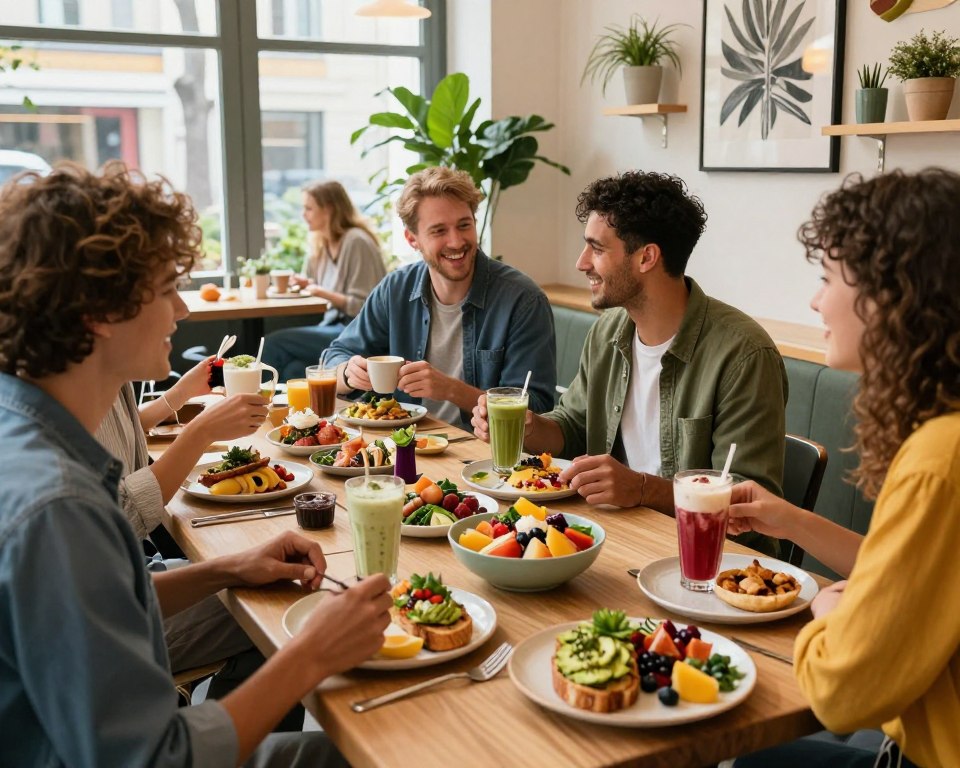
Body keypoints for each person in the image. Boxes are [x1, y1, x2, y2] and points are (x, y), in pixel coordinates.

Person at [0, 162, 392, 767]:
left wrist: (229, 568)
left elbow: (99, 602)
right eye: (165, 289)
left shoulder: (29, 433)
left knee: (267, 614)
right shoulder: (60, 507)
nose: (181, 310)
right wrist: (311, 655)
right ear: (98, 312)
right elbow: (155, 758)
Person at [730, 169, 960, 768]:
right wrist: (791, 520)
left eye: (827, 277)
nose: (815, 301)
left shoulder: (939, 459)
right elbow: (915, 574)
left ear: (892, 295)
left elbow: (839, 692)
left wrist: (829, 617)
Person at [472, 171, 787, 543]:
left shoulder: (743, 355)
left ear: (646, 257)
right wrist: (529, 428)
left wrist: (641, 489)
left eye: (597, 249)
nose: (581, 263)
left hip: (706, 556)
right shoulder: (607, 332)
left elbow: (748, 507)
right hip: (616, 534)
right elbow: (572, 428)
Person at [324, 166, 556, 428]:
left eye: (464, 225)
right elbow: (335, 355)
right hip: (403, 442)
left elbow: (536, 411)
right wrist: (348, 373)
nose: (456, 242)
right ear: (412, 239)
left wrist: (452, 390)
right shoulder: (395, 290)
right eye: (439, 231)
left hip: (479, 449)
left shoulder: (523, 300)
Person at [262, 180, 386, 382]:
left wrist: (319, 291)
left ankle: (254, 401)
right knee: (295, 370)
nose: (303, 215)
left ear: (328, 209)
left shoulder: (356, 241)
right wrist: (306, 284)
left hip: (355, 331)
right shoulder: (321, 243)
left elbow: (363, 307)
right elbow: (315, 285)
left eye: (309, 208)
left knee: (273, 343)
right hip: (332, 325)